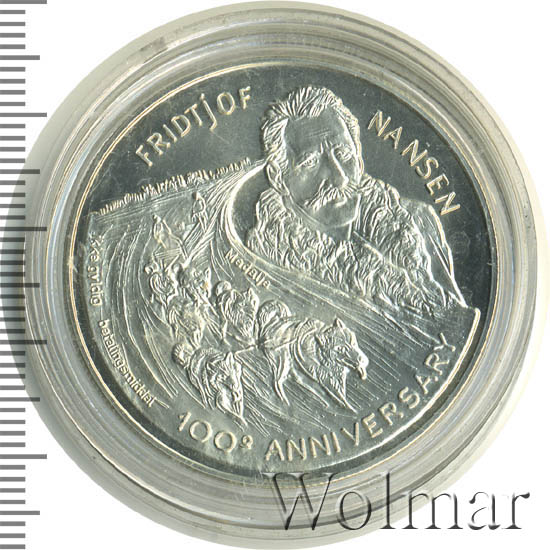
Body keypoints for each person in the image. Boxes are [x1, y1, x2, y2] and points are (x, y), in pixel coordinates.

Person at [247, 86, 466, 315]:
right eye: (311, 162)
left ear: (359, 158)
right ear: (278, 177)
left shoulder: (419, 222)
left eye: (343, 154)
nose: (340, 178)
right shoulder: (258, 261)